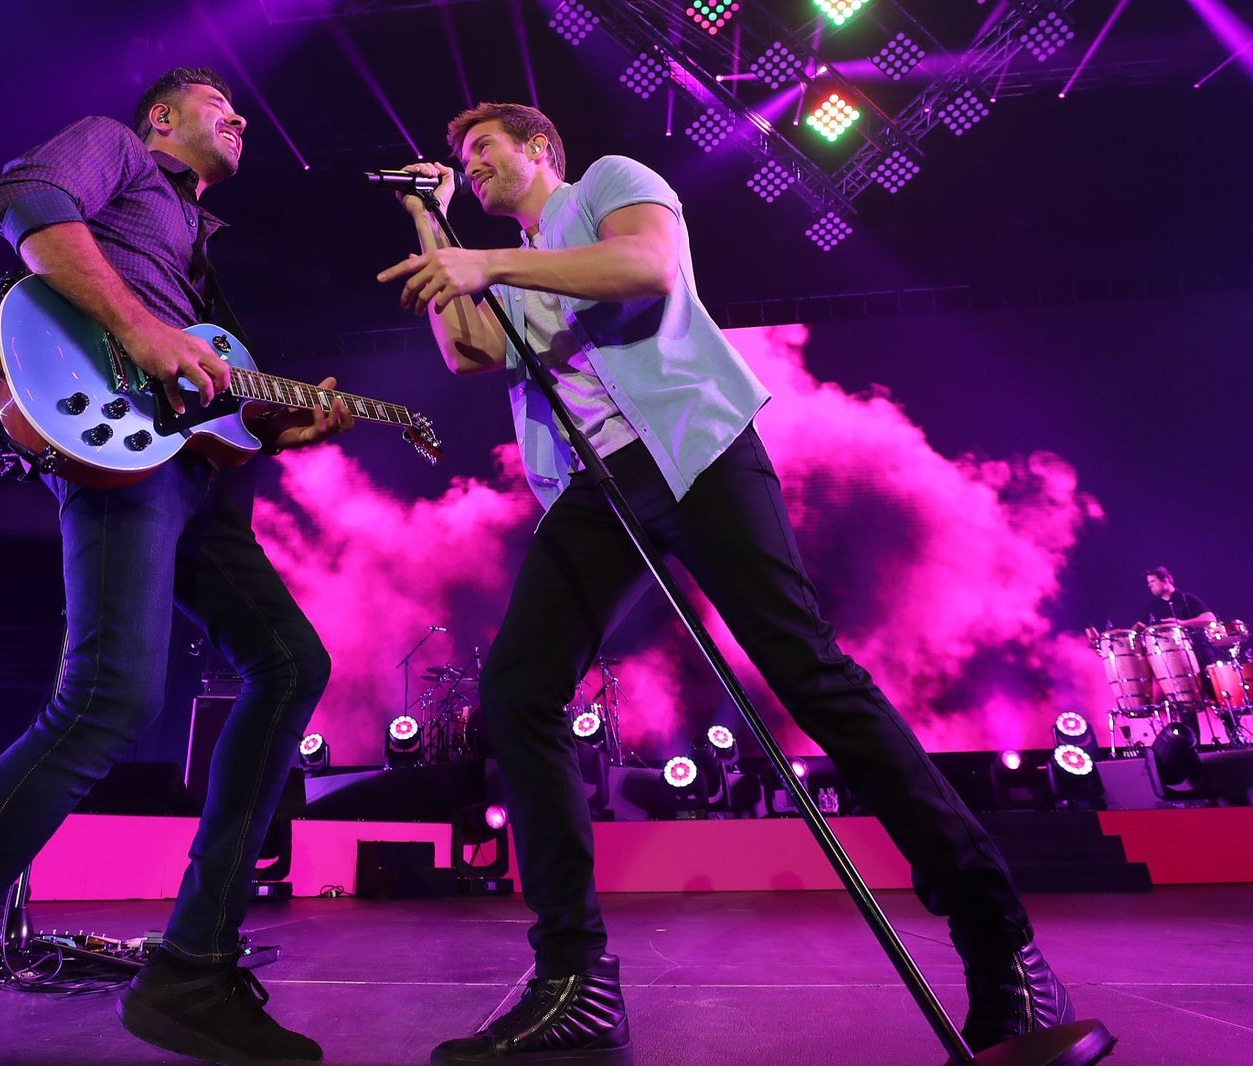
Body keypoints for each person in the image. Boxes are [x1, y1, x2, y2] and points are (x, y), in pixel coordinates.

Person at [377, 102, 1083, 1064]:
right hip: (595, 484)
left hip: (696, 452)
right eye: (461, 160)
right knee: (515, 692)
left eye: (483, 150)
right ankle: (575, 980)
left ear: (539, 145)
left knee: (809, 675)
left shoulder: (608, 187)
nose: (474, 164)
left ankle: (1004, 951)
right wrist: (434, 220)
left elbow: (646, 268)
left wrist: (488, 262)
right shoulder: (516, 265)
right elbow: (469, 347)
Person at [0, 67, 352, 1066]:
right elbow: (20, 199)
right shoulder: (113, 145)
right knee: (105, 699)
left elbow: (206, 390)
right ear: (162, 117)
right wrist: (140, 328)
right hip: (117, 453)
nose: (239, 117)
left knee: (290, 665)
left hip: (190, 469)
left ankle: (194, 966)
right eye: (215, 102)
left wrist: (282, 422)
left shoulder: (195, 244)